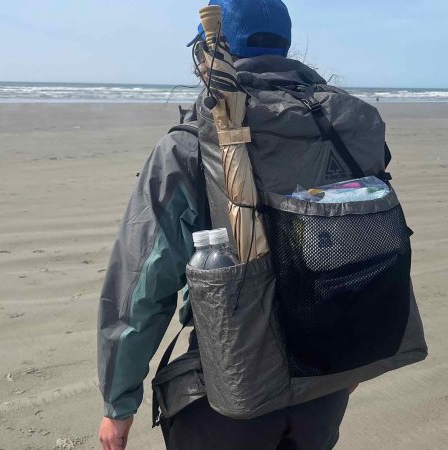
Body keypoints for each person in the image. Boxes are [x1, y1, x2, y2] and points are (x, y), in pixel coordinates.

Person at [98, 1, 361, 448]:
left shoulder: (191, 145)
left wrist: (118, 405)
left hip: (230, 391)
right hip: (326, 377)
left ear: (208, 50)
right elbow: (365, 246)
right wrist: (353, 361)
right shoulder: (336, 124)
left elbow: (144, 284)